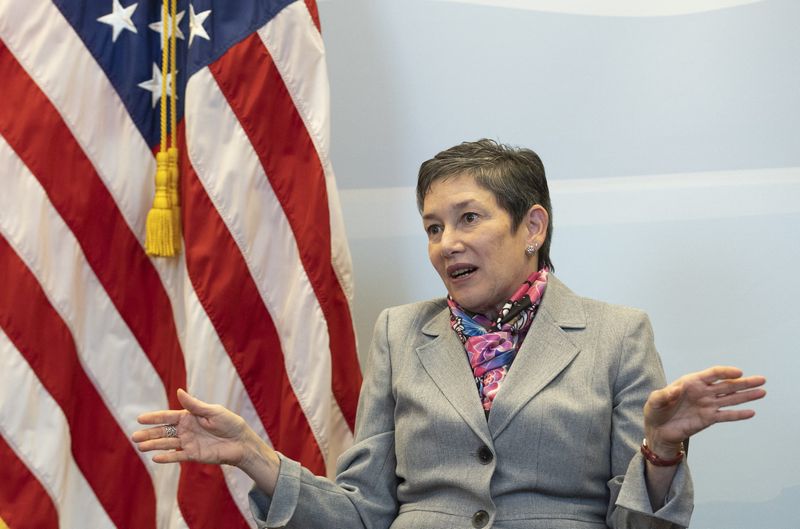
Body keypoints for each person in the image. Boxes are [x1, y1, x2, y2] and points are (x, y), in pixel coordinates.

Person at [132, 139, 766, 529]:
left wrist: (659, 450)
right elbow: (363, 513)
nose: (447, 243)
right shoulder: (399, 333)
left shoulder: (617, 335)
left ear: (533, 226)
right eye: (433, 227)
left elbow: (642, 527)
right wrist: (254, 456)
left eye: (469, 218)